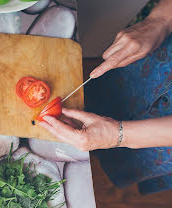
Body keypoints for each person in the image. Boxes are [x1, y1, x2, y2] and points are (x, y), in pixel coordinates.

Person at [38, 0, 172, 194]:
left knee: (125, 158)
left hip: (163, 138)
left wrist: (116, 136)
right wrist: (160, 21)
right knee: (99, 96)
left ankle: (97, 155)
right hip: (158, 60)